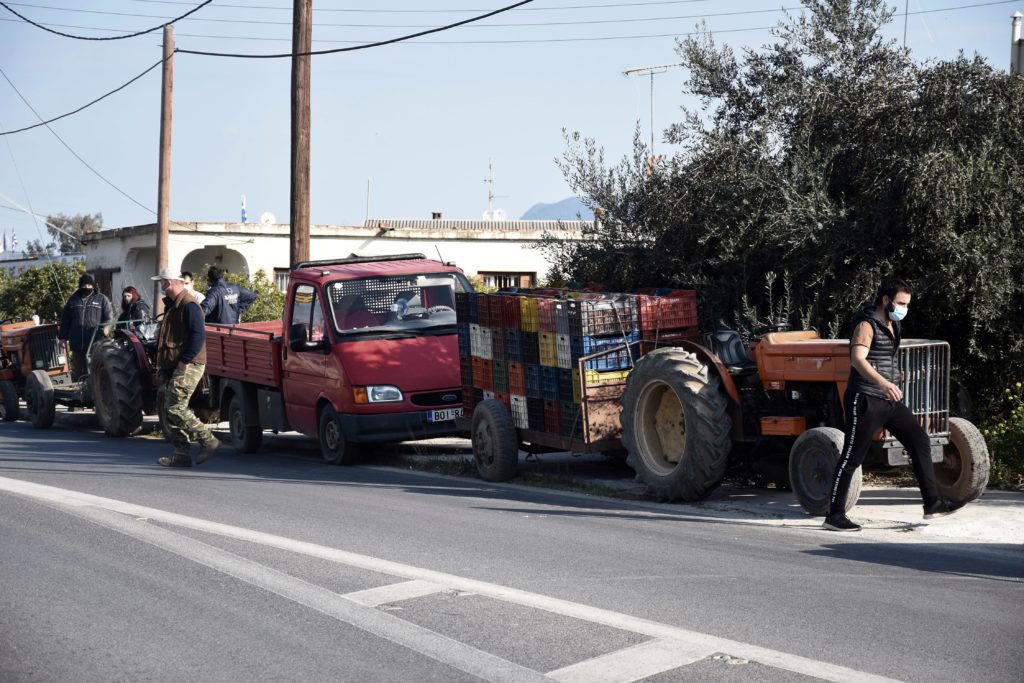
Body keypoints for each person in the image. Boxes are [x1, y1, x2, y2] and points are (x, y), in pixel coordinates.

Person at [823, 277, 966, 532]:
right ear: (886, 300)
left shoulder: (892, 324)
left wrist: (894, 379)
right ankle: (834, 515)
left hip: (889, 400)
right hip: (865, 399)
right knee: (852, 457)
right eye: (901, 303)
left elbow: (885, 358)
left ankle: (932, 504)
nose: (904, 308)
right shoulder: (867, 324)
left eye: (907, 304)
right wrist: (883, 383)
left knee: (919, 440)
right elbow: (858, 359)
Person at [151, 268, 219, 468]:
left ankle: (207, 439)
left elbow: (198, 336)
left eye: (163, 283)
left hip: (190, 364)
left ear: (170, 283)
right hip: (176, 364)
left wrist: (185, 361)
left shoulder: (189, 305)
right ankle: (181, 454)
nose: (162, 287)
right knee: (169, 408)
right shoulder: (173, 306)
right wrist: (164, 369)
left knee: (175, 407)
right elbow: (169, 339)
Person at [58, 273, 114, 381]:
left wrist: (106, 328)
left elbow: (109, 318)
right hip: (77, 343)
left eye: (89, 285)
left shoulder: (101, 299)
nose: (87, 287)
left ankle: (96, 393)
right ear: (80, 286)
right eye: (84, 285)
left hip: (95, 341)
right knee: (79, 372)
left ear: (93, 286)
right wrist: (62, 337)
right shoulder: (73, 300)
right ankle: (81, 394)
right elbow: (65, 320)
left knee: (96, 371)